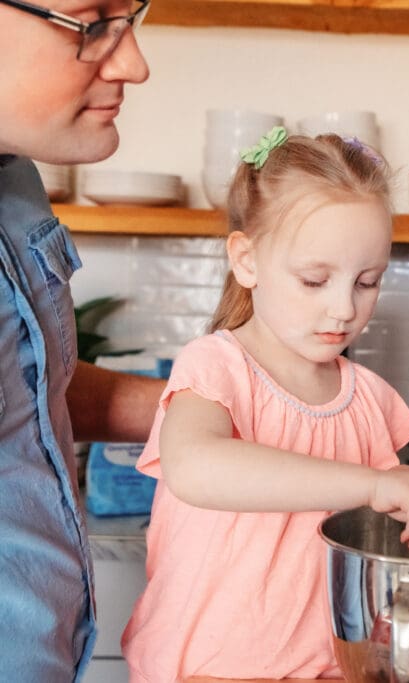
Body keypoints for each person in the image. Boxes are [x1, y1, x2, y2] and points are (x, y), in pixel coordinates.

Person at [120, 130, 409, 681]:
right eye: (314, 280)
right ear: (247, 260)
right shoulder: (216, 368)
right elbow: (195, 467)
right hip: (206, 671)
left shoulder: (370, 400)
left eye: (368, 281)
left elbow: (384, 549)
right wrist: (374, 484)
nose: (344, 308)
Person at [0, 1, 166, 679]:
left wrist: (237, 404)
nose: (134, 63)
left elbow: (30, 389)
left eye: (132, 19)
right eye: (92, 21)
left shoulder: (15, 178)